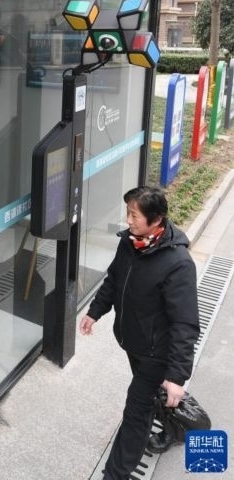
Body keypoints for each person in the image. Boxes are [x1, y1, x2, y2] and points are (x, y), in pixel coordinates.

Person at [79, 186, 200, 480]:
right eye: (128, 213)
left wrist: (177, 375)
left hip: (156, 353)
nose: (128, 220)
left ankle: (115, 474)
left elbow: (185, 323)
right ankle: (175, 425)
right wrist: (95, 311)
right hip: (134, 342)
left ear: (156, 220)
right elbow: (114, 279)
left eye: (134, 215)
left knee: (136, 412)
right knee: (156, 395)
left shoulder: (178, 264)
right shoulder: (131, 243)